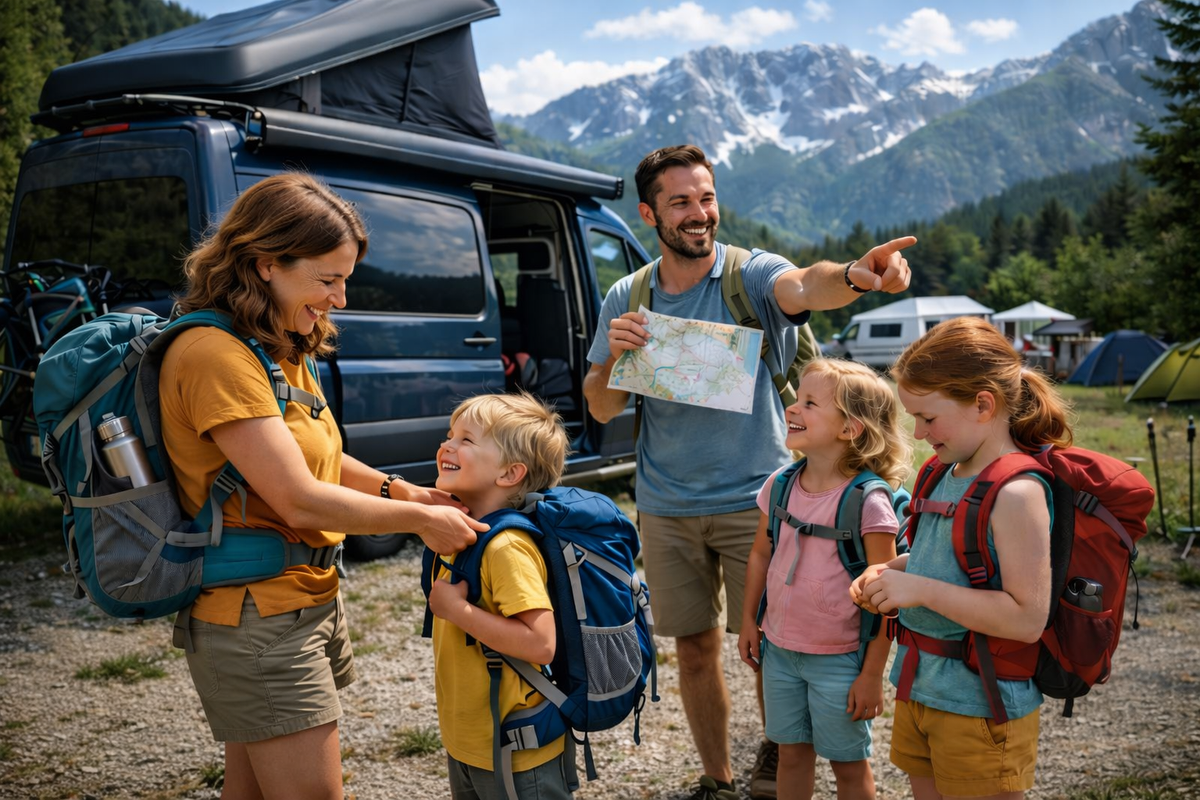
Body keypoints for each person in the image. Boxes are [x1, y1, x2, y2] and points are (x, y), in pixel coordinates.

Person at [583, 143, 916, 800]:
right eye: (680, 201)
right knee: (696, 650)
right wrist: (609, 363)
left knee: (773, 645)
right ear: (651, 213)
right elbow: (601, 407)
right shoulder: (630, 294)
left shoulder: (751, 275)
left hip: (759, 502)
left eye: (705, 197)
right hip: (666, 504)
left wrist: (855, 274)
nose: (698, 212)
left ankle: (780, 760)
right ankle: (718, 777)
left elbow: (804, 285)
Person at [159, 172, 488, 800]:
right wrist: (421, 525)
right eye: (327, 279)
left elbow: (320, 459)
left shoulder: (277, 344)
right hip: (255, 613)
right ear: (265, 264)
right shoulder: (215, 355)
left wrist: (406, 493)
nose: (339, 297)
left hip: (299, 596)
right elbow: (298, 498)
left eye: (345, 279)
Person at [851, 316, 1069, 799]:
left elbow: (1026, 618)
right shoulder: (941, 472)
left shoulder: (1018, 493)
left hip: (981, 706)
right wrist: (889, 574)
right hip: (922, 688)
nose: (919, 431)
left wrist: (920, 590)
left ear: (983, 405)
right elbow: (942, 562)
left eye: (928, 418)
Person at [738, 358, 911, 800]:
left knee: (848, 766)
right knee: (791, 755)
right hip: (780, 652)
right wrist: (747, 623)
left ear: (849, 429)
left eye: (809, 403)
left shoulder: (869, 503)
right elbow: (760, 555)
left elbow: (885, 595)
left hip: (841, 660)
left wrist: (872, 674)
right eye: (797, 398)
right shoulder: (779, 485)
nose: (792, 408)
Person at [426, 391, 573, 800]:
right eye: (449, 434)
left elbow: (541, 644)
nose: (447, 445)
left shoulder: (506, 547)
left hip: (516, 750)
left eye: (466, 440)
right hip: (473, 742)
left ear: (510, 474)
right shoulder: (463, 531)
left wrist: (456, 610)